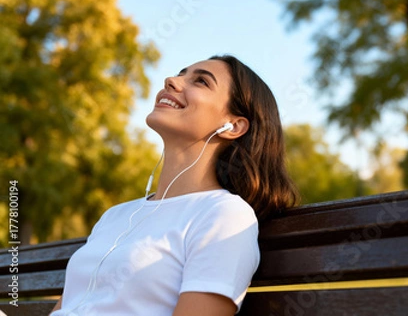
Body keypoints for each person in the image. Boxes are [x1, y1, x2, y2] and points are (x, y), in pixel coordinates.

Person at [49, 55, 299, 316]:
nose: (172, 81)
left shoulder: (224, 215)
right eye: (180, 73)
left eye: (201, 81)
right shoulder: (115, 216)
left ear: (233, 126)